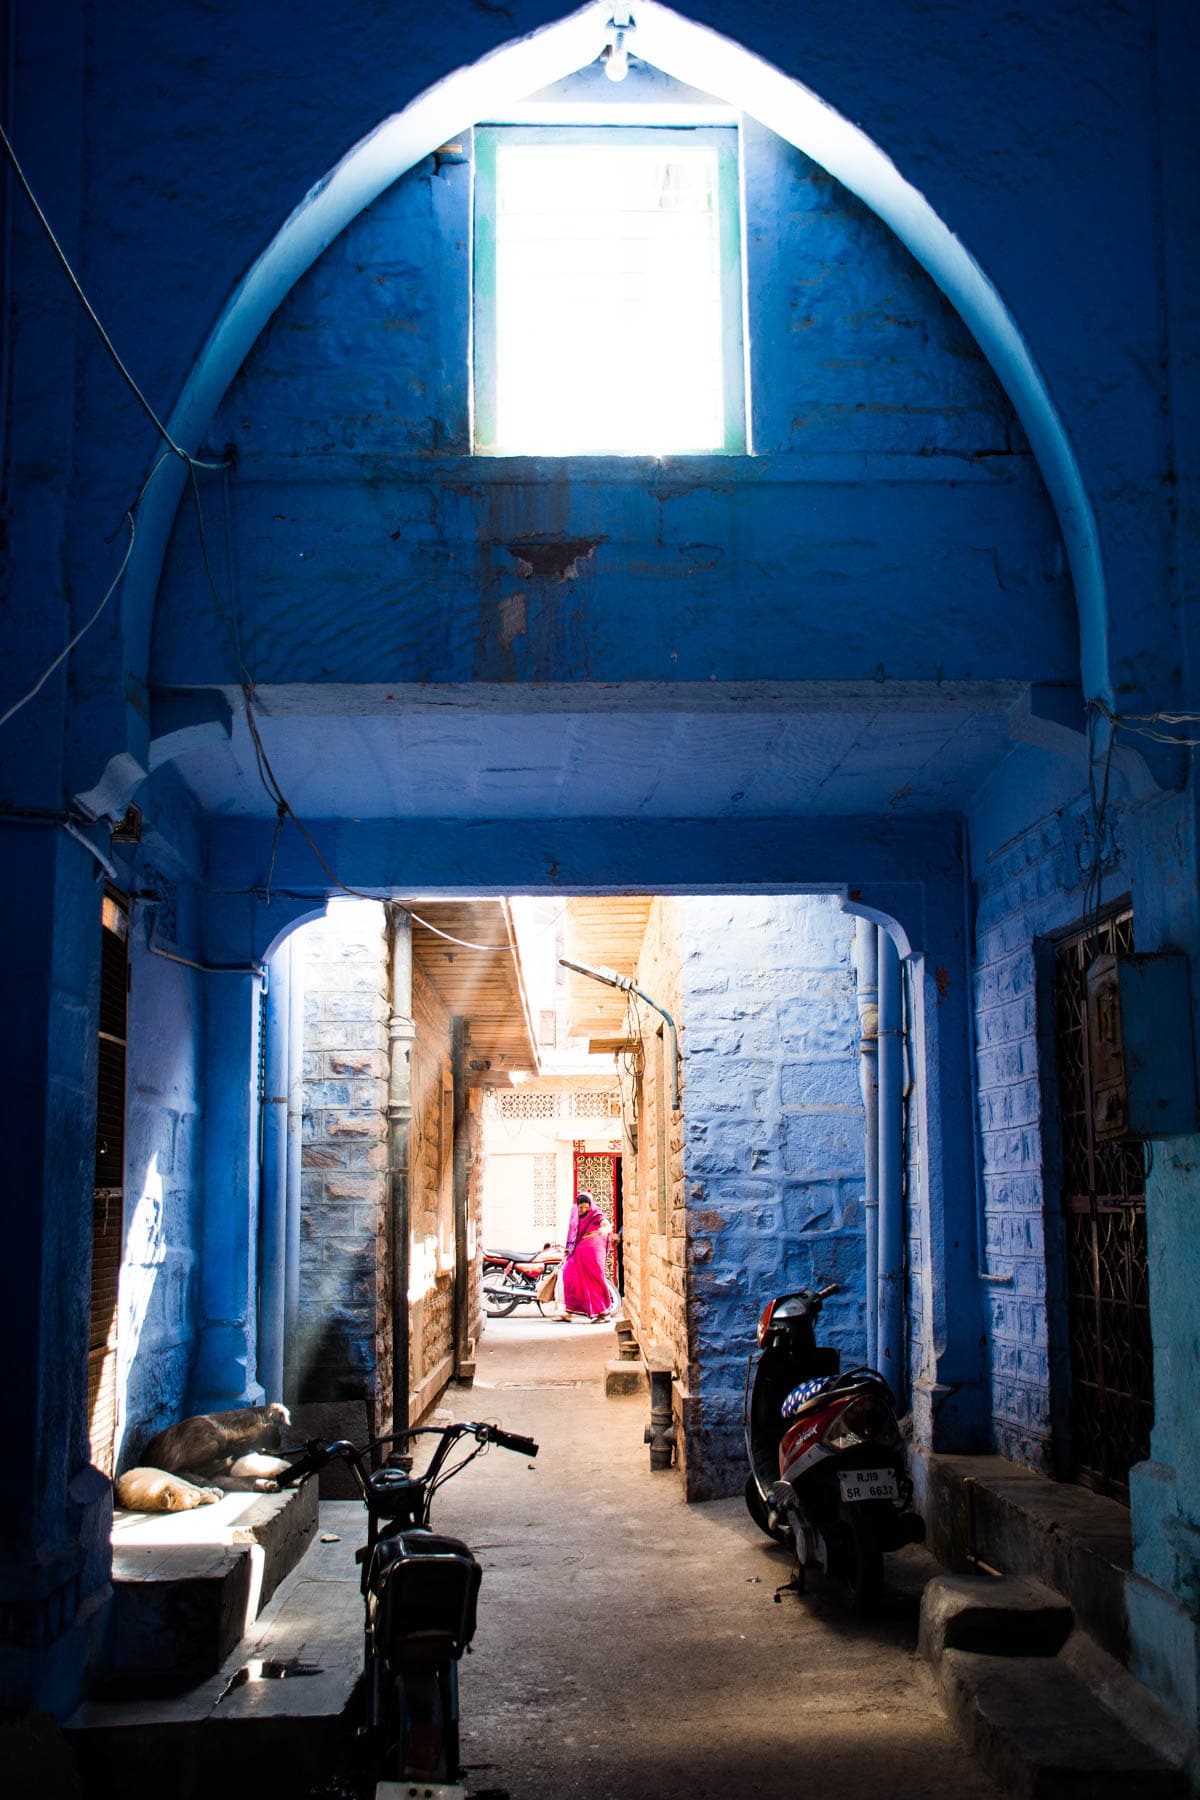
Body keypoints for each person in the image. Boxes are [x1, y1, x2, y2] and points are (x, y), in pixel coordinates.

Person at [559, 1190, 613, 1322]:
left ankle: (603, 1313)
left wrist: (605, 1229)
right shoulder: (574, 1213)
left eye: (585, 1208)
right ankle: (569, 1310)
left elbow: (605, 1223)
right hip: (577, 1253)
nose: (583, 1210)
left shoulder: (595, 1213)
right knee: (569, 1277)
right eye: (580, 1207)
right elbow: (572, 1232)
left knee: (593, 1282)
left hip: (592, 1255)